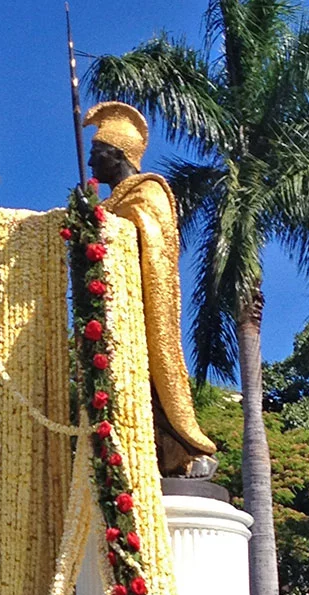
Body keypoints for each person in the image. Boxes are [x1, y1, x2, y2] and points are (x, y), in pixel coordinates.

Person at [83, 101, 217, 479]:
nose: (91, 164)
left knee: (156, 378)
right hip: (113, 315)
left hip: (143, 308)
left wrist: (102, 227)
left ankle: (182, 450)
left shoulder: (148, 193)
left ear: (119, 154)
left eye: (97, 154)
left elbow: (152, 244)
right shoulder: (109, 203)